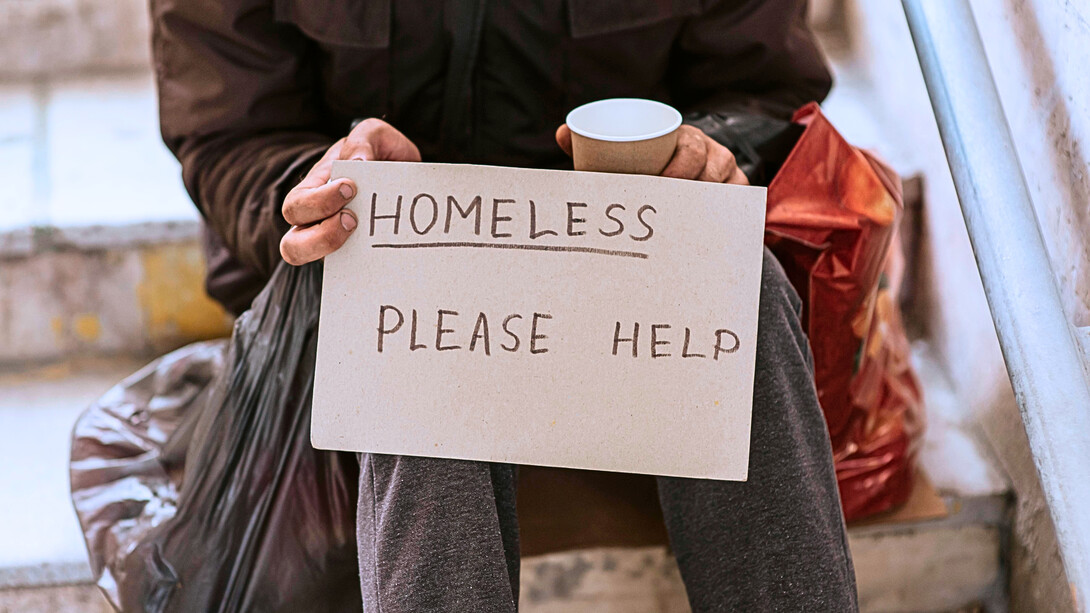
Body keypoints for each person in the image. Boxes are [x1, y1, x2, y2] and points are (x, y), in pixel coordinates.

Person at [151, 0, 858, 610]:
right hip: (350, 300)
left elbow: (764, 92)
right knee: (423, 302)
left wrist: (714, 152)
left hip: (610, 300)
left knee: (738, 279)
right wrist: (318, 189)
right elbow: (226, 128)